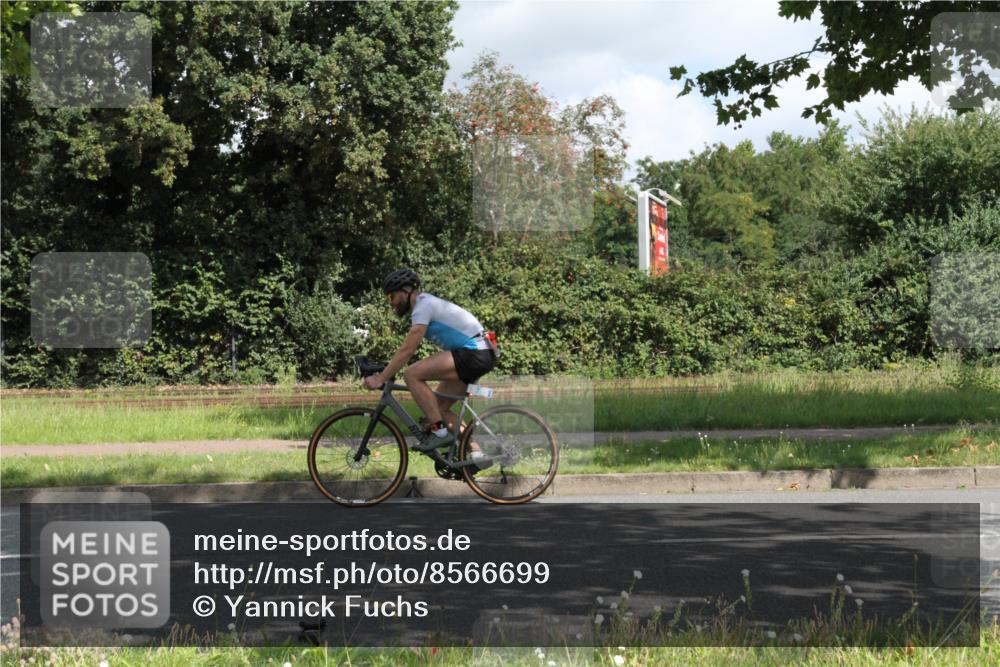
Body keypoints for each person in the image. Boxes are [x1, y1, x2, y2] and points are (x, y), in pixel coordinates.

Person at [363, 269, 497, 459]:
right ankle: (477, 454)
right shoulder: (425, 305)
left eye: (391, 296)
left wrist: (381, 378)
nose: (391, 303)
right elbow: (407, 350)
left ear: (405, 291)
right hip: (477, 352)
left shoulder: (423, 306)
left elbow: (407, 350)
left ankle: (439, 433)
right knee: (439, 409)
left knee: (411, 374)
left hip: (474, 351)